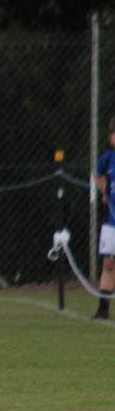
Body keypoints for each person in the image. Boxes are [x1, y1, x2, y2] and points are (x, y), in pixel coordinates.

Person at [93, 118, 115, 319]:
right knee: (108, 264)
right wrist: (103, 191)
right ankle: (103, 308)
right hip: (111, 221)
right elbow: (97, 175)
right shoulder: (108, 159)